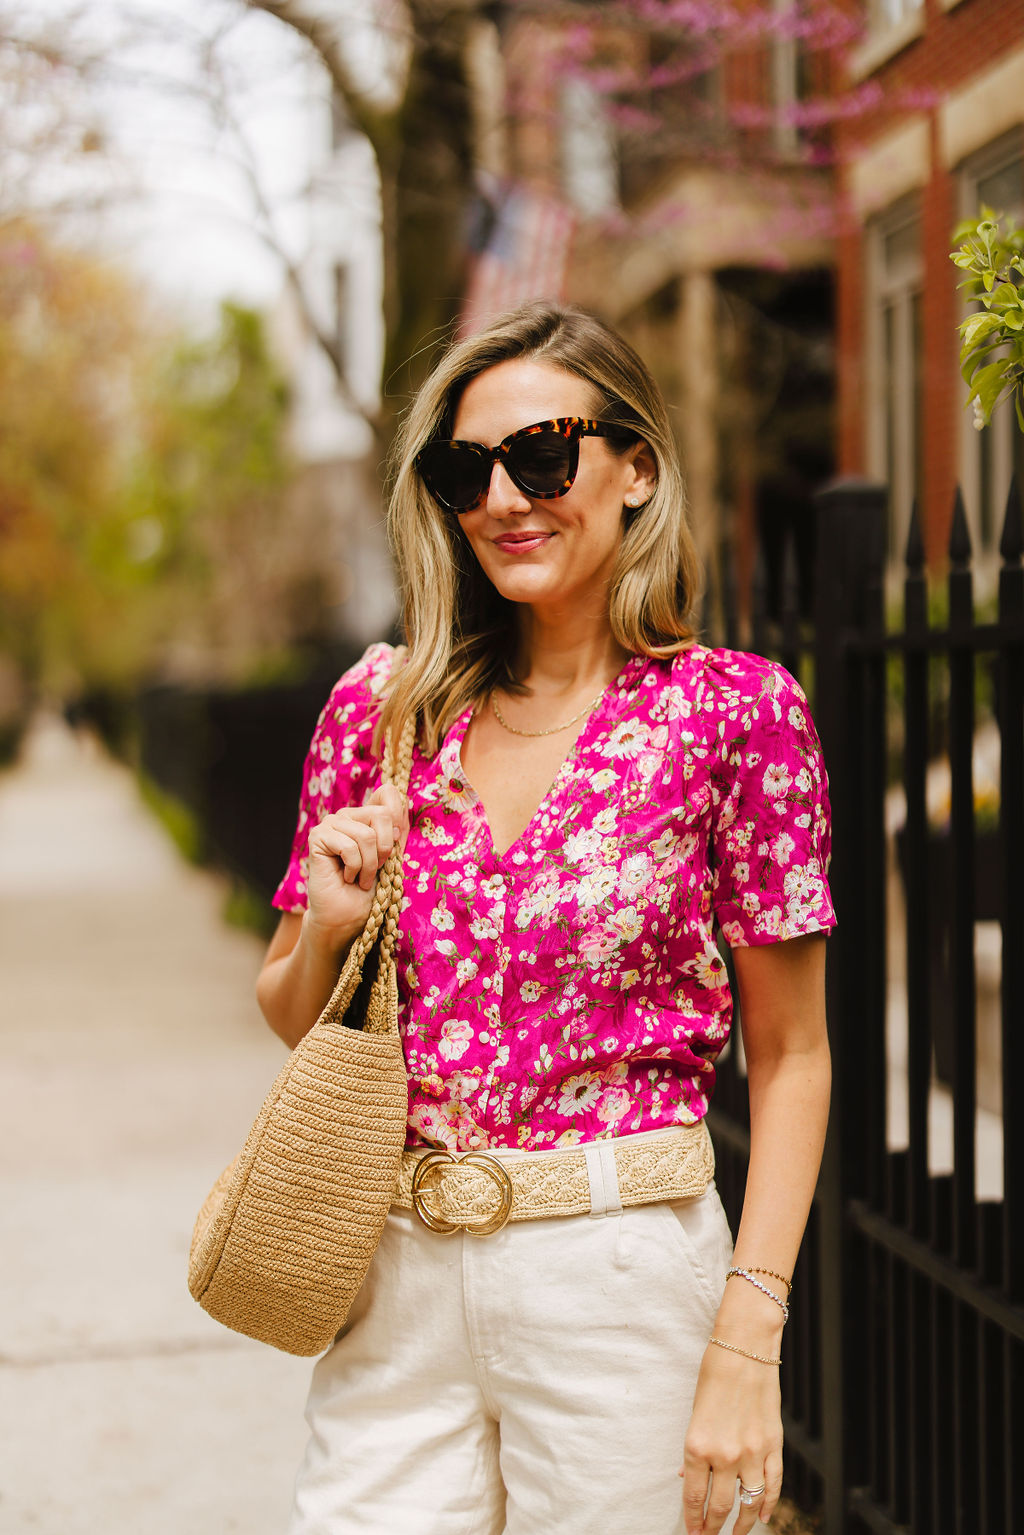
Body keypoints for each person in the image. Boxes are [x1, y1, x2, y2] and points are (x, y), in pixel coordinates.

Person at [256, 302, 835, 1535]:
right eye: (469, 471)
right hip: (397, 1268)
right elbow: (291, 1011)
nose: (506, 499)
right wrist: (327, 921)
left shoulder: (734, 715)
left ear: (636, 468)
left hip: (619, 1268)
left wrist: (749, 1328)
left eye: (545, 455)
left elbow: (790, 1056)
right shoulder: (383, 708)